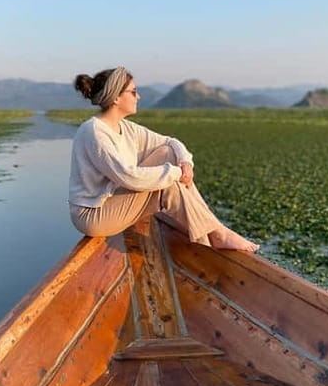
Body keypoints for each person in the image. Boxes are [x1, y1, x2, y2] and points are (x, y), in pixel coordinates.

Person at [68, 66, 259, 252]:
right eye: (134, 92)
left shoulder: (125, 127)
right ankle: (216, 234)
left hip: (112, 200)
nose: (138, 97)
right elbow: (128, 176)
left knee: (168, 152)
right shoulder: (94, 132)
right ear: (116, 97)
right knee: (169, 182)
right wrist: (176, 173)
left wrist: (185, 162)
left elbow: (170, 141)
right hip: (93, 214)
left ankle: (213, 231)